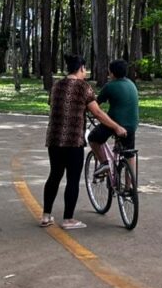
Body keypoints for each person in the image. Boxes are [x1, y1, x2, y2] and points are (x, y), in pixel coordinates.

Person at [41, 55, 126, 230]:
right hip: (73, 140)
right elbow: (98, 113)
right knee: (72, 179)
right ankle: (68, 219)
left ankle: (46, 215)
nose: (85, 72)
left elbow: (54, 105)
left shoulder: (57, 85)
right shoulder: (83, 87)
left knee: (54, 175)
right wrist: (116, 127)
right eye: (85, 69)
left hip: (54, 139)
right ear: (81, 68)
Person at [88, 58, 140, 176]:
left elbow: (95, 104)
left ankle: (104, 163)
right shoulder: (131, 84)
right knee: (129, 154)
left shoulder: (110, 86)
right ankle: (130, 184)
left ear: (111, 73)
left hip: (115, 124)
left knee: (93, 138)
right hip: (132, 125)